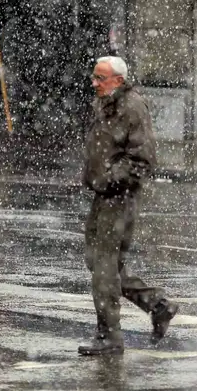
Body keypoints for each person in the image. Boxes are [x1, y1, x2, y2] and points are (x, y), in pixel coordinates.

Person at [79, 56, 179, 356]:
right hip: (104, 195)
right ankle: (158, 305)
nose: (94, 83)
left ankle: (109, 336)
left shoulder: (131, 106)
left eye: (101, 78)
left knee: (104, 266)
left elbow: (143, 158)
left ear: (118, 81)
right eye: (94, 77)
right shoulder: (108, 103)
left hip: (119, 197)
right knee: (99, 263)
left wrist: (112, 180)